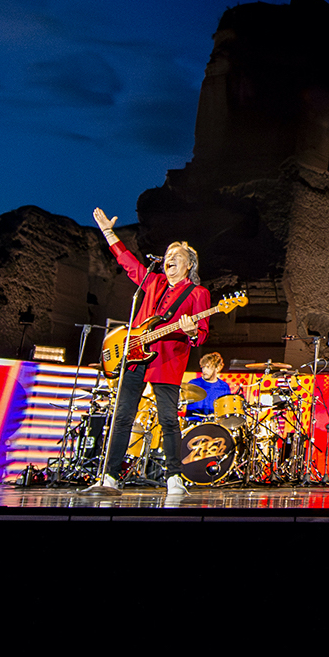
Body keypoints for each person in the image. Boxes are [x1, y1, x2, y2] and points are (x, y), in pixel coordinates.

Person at [84, 207, 211, 496]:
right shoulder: (152, 281)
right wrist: (108, 232)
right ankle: (110, 478)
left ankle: (175, 478)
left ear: (190, 264)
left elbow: (201, 334)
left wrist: (191, 329)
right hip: (133, 357)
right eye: (167, 256)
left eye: (176, 257)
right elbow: (127, 261)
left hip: (166, 361)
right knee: (123, 416)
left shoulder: (198, 294)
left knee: (168, 419)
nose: (169, 260)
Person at [185, 351, 233, 421]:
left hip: (214, 424)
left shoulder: (224, 387)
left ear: (217, 368)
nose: (204, 370)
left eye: (208, 367)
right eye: (203, 367)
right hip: (193, 424)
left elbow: (226, 411)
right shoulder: (193, 383)